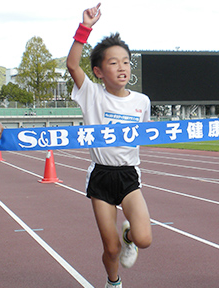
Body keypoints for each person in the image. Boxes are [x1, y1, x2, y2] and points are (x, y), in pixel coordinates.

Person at [67, 3, 152, 288]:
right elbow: (72, 65)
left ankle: (129, 237)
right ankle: (113, 282)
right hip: (101, 176)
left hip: (129, 175)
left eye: (126, 61)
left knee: (144, 239)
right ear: (99, 71)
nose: (122, 67)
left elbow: (146, 135)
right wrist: (85, 28)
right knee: (111, 249)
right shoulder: (90, 93)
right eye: (113, 62)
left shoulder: (142, 102)